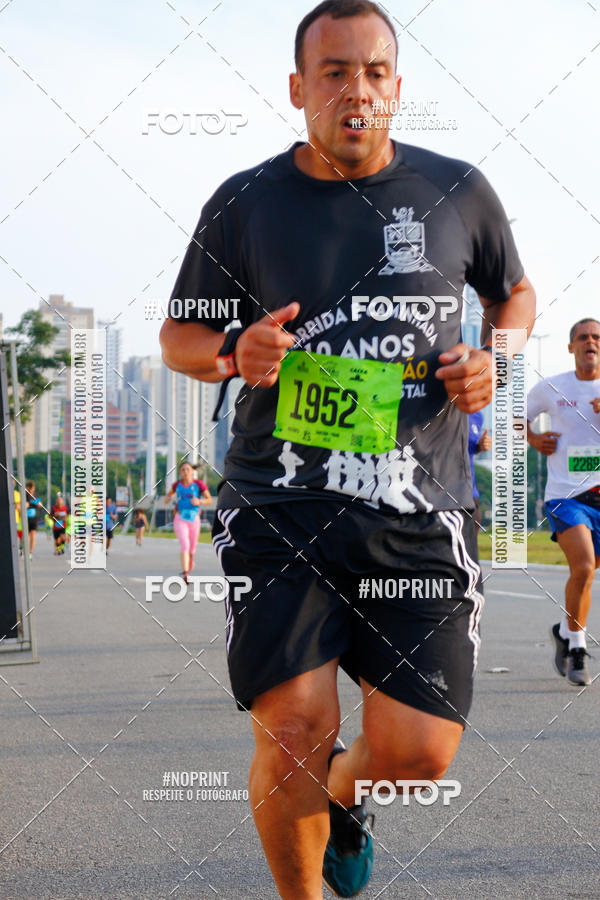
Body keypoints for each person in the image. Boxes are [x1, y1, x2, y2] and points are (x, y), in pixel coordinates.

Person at [159, 2, 536, 895]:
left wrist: (498, 357)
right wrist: (230, 353)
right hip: (279, 503)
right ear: (299, 89)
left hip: (419, 511)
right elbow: (179, 334)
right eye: (334, 73)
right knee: (292, 725)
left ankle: (346, 794)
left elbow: (515, 296)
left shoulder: (458, 191)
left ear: (397, 89)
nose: (355, 90)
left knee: (418, 754)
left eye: (373, 72)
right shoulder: (245, 203)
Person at [527, 317, 600, 687]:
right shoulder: (552, 387)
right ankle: (577, 649)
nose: (590, 342)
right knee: (584, 567)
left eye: (596, 337)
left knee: (586, 576)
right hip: (566, 495)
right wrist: (534, 439)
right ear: (571, 347)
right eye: (583, 337)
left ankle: (563, 629)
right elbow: (513, 416)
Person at [166, 462, 211, 583]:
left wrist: (199, 501)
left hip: (194, 518)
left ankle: (189, 561)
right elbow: (169, 495)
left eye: (187, 469)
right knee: (185, 544)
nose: (185, 472)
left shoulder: (198, 484)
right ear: (180, 472)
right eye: (182, 470)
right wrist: (168, 498)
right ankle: (186, 573)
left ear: (192, 471)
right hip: (180, 517)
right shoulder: (177, 485)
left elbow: (209, 500)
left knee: (192, 548)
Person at [467, 413, 491, 529]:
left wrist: (480, 446)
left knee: (469, 547)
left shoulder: (476, 416)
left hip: (469, 494)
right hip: (436, 495)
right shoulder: (433, 408)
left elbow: (469, 448)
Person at [25, 480, 42, 559]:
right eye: (30, 488)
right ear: (27, 488)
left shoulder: (36, 495)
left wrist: (38, 504)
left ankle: (30, 552)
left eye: (33, 488)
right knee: (26, 536)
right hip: (26, 518)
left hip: (34, 518)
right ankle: (24, 550)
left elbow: (40, 505)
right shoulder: (24, 495)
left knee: (33, 535)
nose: (31, 490)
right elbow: (25, 505)